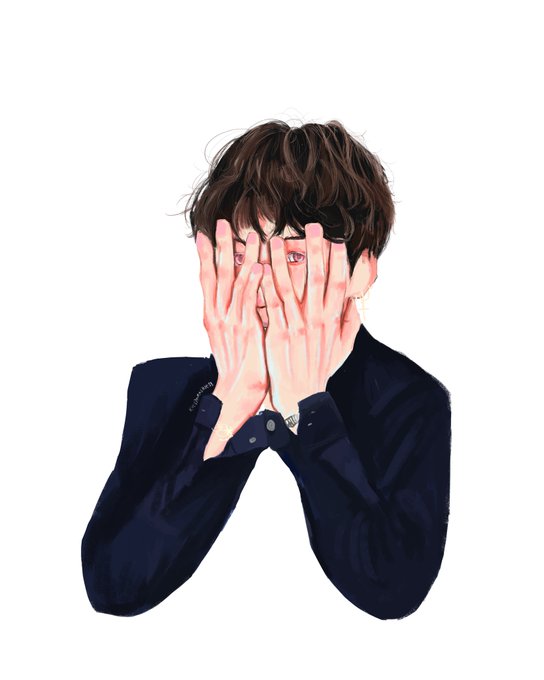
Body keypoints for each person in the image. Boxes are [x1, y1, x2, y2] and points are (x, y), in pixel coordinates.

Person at [81, 120, 451, 620]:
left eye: (294, 254)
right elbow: (113, 586)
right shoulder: (163, 390)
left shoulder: (411, 401)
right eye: (240, 254)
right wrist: (229, 407)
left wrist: (308, 412)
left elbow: (393, 588)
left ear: (361, 270)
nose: (260, 282)